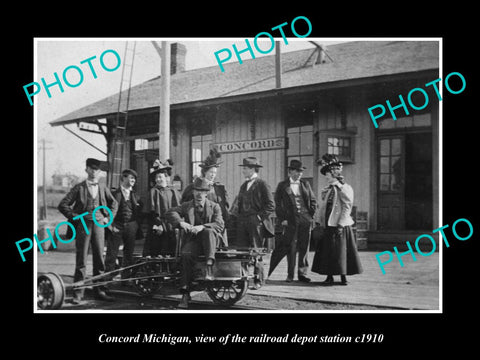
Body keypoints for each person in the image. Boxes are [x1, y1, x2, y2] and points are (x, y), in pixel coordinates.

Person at [58, 158, 118, 303]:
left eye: (96, 170)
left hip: (99, 225)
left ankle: (100, 291)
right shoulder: (79, 187)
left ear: (99, 172)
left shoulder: (103, 187)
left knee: (99, 259)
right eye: (91, 169)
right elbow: (63, 205)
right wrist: (75, 217)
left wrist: (107, 218)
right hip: (83, 226)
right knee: (81, 260)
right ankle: (78, 294)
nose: (93, 172)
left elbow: (114, 203)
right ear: (86, 170)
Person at [166, 177, 224, 309]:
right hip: (193, 242)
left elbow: (219, 225)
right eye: (197, 190)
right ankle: (185, 294)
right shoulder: (187, 206)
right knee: (186, 255)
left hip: (210, 243)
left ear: (206, 193)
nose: (199, 194)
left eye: (202, 191)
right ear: (193, 192)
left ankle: (209, 267)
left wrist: (202, 226)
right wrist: (181, 223)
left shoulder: (214, 206)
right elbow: (170, 212)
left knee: (208, 231)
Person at [311, 154, 363, 285]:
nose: (326, 177)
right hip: (328, 224)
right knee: (328, 251)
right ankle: (329, 276)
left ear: (333, 174)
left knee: (341, 252)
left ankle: (343, 276)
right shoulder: (327, 189)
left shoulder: (344, 188)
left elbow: (347, 206)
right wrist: (319, 221)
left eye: (328, 174)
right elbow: (323, 207)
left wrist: (341, 224)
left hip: (339, 225)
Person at [269, 159, 317, 283]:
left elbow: (312, 200)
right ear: (290, 172)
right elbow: (278, 204)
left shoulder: (305, 184)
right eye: (297, 171)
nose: (299, 174)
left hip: (305, 220)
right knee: (291, 247)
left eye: (301, 172)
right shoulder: (282, 185)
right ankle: (290, 275)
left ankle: (302, 274)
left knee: (304, 247)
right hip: (290, 221)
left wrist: (311, 215)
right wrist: (283, 219)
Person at [235, 157, 275, 288]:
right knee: (242, 251)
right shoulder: (243, 185)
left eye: (245, 168)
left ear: (252, 169)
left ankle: (258, 280)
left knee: (256, 251)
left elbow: (271, 205)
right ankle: (243, 279)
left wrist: (259, 218)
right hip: (243, 223)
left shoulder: (262, 184)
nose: (243, 171)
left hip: (256, 223)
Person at [181, 148, 230, 248]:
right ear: (204, 172)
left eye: (215, 173)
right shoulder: (192, 188)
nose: (213, 175)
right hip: (198, 224)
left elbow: (224, 209)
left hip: (215, 225)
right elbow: (185, 207)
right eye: (211, 172)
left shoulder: (219, 188)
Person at [104, 169, 142, 290]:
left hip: (131, 227)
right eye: (131, 178)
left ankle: (125, 279)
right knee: (112, 254)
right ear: (123, 178)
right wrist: (110, 226)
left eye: (134, 179)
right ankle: (107, 281)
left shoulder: (136, 195)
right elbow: (106, 211)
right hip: (117, 226)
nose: (133, 181)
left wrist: (135, 225)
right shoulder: (114, 194)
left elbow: (139, 212)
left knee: (128, 254)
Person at [142, 160, 181, 257]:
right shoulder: (153, 192)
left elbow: (179, 209)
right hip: (158, 225)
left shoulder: (173, 191)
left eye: (160, 177)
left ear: (166, 177)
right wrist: (157, 224)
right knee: (157, 249)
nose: (158, 179)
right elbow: (151, 212)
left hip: (171, 225)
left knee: (171, 249)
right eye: (156, 177)